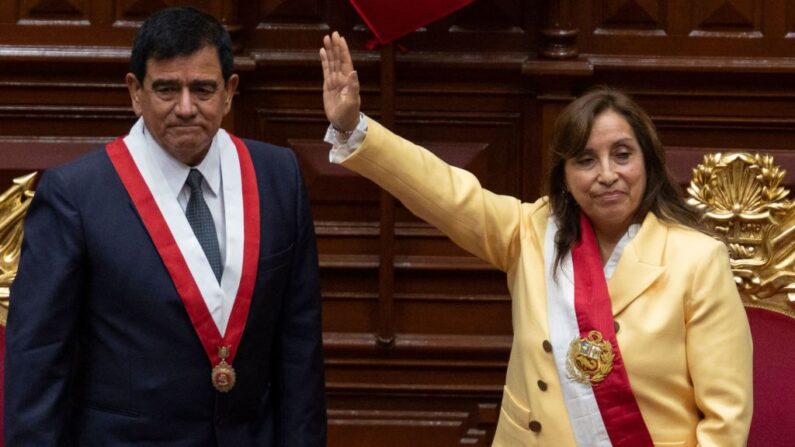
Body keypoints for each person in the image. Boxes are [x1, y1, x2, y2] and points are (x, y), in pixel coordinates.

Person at [319, 32, 752, 446]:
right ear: (564, 175)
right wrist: (355, 126)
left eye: (622, 154)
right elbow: (445, 193)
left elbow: (725, 419)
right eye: (585, 160)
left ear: (649, 162)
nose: (606, 175)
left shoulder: (697, 259)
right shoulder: (532, 232)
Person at [4, 7, 326, 446]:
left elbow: (299, 348)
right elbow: (40, 361)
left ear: (230, 92)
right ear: (136, 92)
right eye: (167, 89)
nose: (186, 108)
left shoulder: (278, 176)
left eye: (203, 89)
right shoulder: (75, 195)